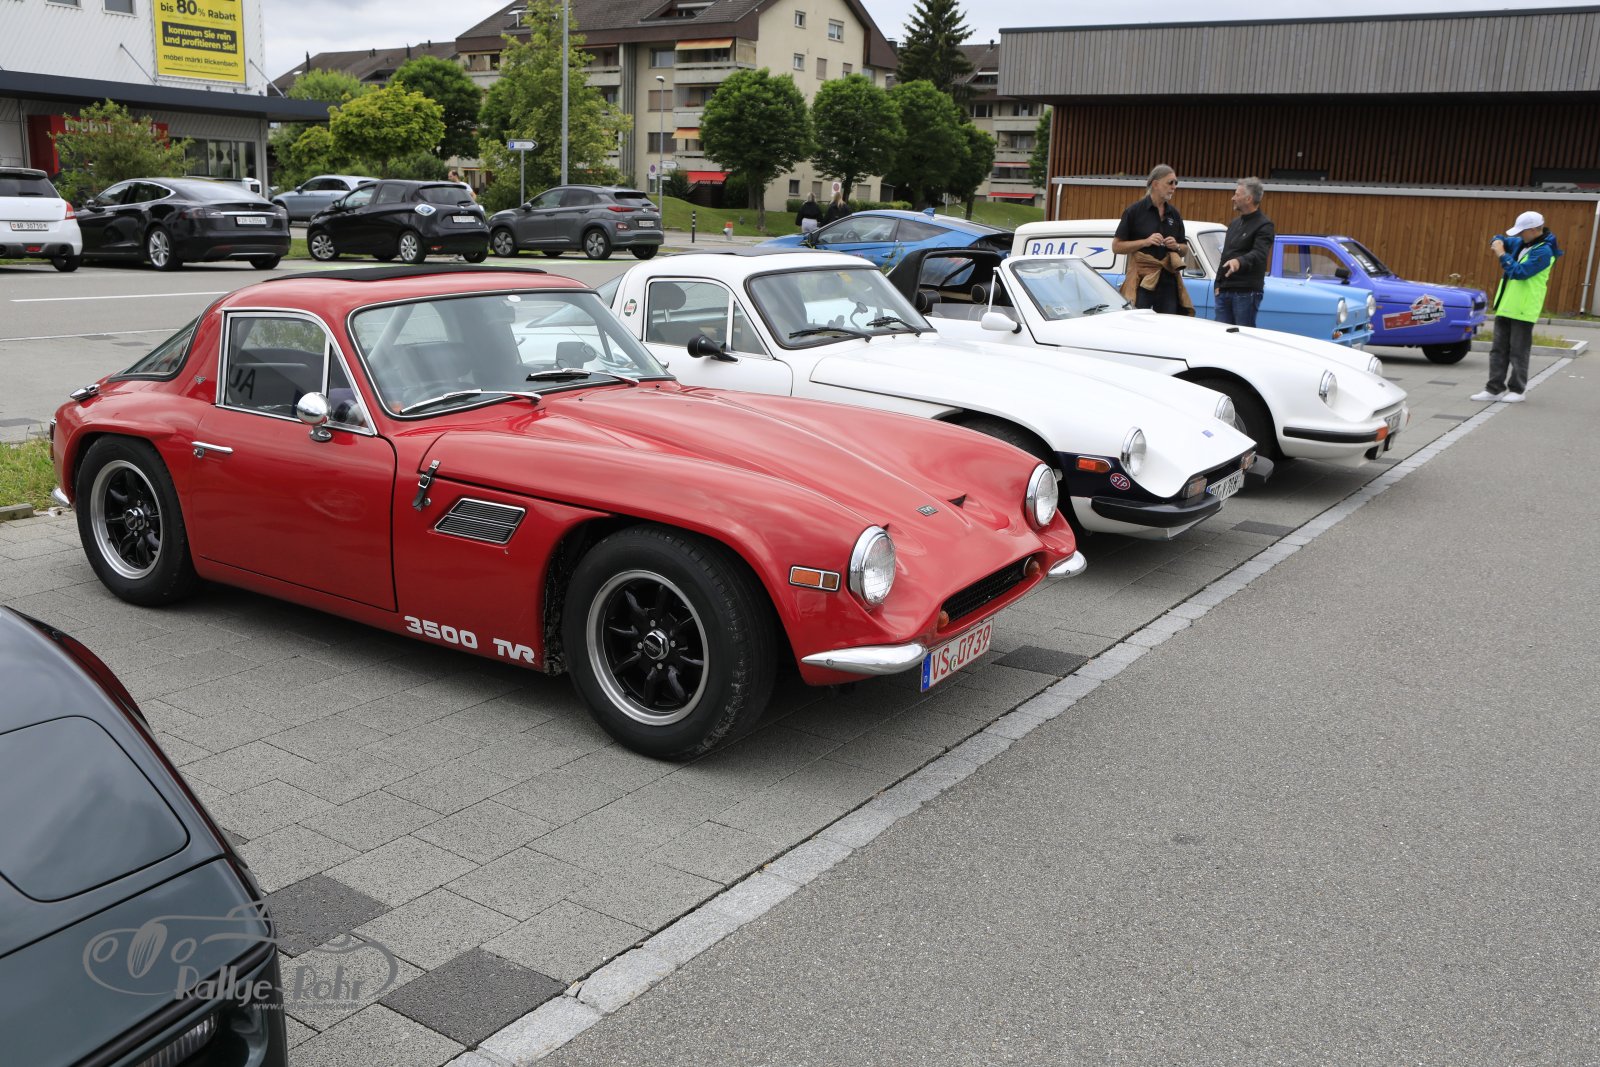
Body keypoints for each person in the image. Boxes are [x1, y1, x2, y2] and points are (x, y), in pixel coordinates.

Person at [1471, 210, 1563, 404]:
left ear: (1534, 229)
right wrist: (1497, 241)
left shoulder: (1544, 251)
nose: (1519, 234)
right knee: (1498, 350)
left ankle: (1518, 390)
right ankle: (1494, 389)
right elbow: (1499, 238)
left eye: (1522, 231)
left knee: (1519, 351)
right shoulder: (1522, 242)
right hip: (1506, 306)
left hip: (1524, 309)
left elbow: (1520, 272)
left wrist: (1502, 254)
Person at [1112, 164, 1192, 315]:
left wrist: (1176, 246)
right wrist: (1145, 242)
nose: (1174, 187)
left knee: (1168, 323)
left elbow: (1184, 249)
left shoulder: (1174, 214)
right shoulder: (1134, 211)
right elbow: (1116, 247)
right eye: (1170, 182)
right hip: (1142, 280)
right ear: (1155, 184)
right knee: (1139, 322)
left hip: (1168, 280)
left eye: (1176, 183)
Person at [1213, 177, 1274, 328]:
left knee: (1243, 336)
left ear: (1248, 199)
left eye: (1237, 194)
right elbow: (1226, 255)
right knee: (1220, 335)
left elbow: (1260, 254)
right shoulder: (1234, 224)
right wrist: (1218, 283)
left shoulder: (1264, 225)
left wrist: (1239, 261)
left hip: (1246, 292)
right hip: (1224, 291)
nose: (1233, 198)